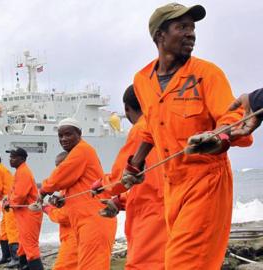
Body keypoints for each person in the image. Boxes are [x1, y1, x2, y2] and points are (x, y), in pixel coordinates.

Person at [124, 3, 253, 269]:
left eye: (192, 28)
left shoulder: (207, 74)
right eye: (182, 27)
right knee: (181, 259)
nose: (191, 34)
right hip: (173, 185)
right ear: (160, 35)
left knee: (183, 262)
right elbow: (151, 126)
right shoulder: (142, 80)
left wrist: (218, 141)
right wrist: (135, 164)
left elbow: (231, 117)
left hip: (206, 182)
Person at [99, 85, 167, 269]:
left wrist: (101, 185)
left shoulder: (140, 129)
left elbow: (120, 178)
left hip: (151, 214)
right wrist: (120, 201)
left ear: (127, 109)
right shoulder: (164, 125)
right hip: (168, 208)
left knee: (141, 265)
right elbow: (153, 180)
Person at [40, 118, 117, 270]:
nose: (63, 139)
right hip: (86, 223)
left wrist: (43, 193)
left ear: (80, 134)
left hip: (94, 221)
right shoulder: (81, 153)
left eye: (68, 134)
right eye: (60, 136)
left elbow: (60, 176)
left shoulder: (82, 150)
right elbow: (70, 181)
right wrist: (61, 198)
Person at [6, 147, 44, 270]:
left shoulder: (23, 172)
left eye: (13, 157)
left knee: (30, 246)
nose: (10, 159)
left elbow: (20, 196)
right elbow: (15, 193)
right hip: (23, 214)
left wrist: (9, 203)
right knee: (23, 243)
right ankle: (24, 266)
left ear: (22, 159)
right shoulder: (19, 171)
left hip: (29, 214)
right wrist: (9, 200)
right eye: (10, 157)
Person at [42, 151, 78, 270]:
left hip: (75, 238)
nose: (57, 172)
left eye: (60, 167)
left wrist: (46, 208)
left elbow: (64, 217)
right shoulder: (68, 186)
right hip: (72, 236)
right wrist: (58, 203)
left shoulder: (75, 187)